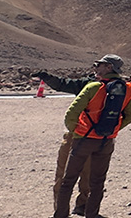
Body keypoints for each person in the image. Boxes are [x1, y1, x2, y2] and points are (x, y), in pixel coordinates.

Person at [52, 54, 131, 218]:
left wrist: (76, 132)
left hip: (83, 140)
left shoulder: (93, 87)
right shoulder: (128, 89)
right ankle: (91, 214)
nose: (95, 67)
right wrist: (113, 130)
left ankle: (61, 214)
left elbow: (71, 113)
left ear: (109, 68)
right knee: (97, 182)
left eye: (99, 64)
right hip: (106, 142)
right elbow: (130, 116)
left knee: (68, 180)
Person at [34, 68, 94, 216]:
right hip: (79, 134)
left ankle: (82, 205)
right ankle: (60, 210)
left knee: (88, 175)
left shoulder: (115, 87)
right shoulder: (87, 83)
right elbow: (63, 84)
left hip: (93, 136)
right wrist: (47, 77)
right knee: (64, 174)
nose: (96, 68)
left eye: (101, 65)